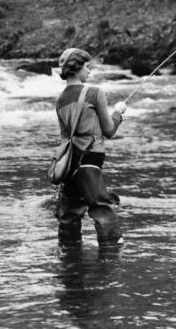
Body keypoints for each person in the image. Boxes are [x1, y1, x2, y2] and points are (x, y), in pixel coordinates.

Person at [54, 47, 127, 247]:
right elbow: (109, 130)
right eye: (87, 66)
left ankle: (70, 257)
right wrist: (118, 112)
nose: (90, 71)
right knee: (102, 207)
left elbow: (64, 138)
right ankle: (112, 252)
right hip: (90, 158)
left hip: (70, 162)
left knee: (69, 213)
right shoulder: (94, 93)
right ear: (77, 68)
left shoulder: (60, 100)